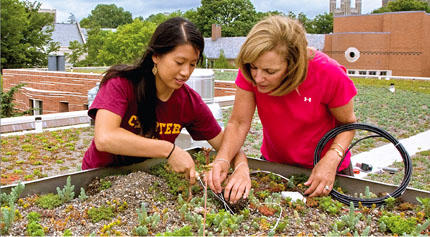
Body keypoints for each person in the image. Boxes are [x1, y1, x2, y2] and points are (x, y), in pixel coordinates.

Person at [82, 17, 249, 190]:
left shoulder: (188, 101)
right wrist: (169, 150)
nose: (185, 72)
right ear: (156, 56)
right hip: (97, 179)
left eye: (192, 64)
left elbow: (226, 145)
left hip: (145, 182)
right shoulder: (121, 84)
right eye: (179, 62)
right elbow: (105, 138)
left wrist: (241, 166)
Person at [207, 15, 357, 201]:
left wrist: (332, 159)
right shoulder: (253, 69)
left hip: (326, 170)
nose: (258, 78)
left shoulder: (329, 73)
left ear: (294, 65)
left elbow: (348, 124)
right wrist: (223, 159)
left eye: (270, 72)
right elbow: (238, 123)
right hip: (275, 165)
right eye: (254, 67)